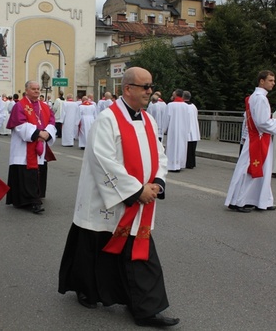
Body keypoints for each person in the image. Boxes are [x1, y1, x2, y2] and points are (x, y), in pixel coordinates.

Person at [58, 67, 178, 327]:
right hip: (107, 198)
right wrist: (135, 191)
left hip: (140, 199)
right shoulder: (108, 119)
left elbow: (160, 153)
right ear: (128, 89)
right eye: (144, 87)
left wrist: (157, 181)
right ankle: (86, 290)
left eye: (150, 86)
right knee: (94, 244)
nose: (150, 91)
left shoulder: (149, 120)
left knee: (139, 250)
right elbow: (103, 161)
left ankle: (146, 309)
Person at [225, 70, 276, 213]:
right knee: (250, 170)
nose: (273, 83)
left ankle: (263, 200)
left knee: (262, 169)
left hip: (258, 138)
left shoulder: (255, 97)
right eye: (270, 80)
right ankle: (239, 201)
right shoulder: (260, 98)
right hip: (258, 139)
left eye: (274, 80)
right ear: (261, 81)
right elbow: (261, 122)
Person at [5, 80, 56, 214]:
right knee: (25, 172)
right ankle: (28, 201)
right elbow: (19, 124)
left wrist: (47, 133)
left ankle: (35, 196)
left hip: (40, 144)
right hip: (24, 146)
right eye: (33, 89)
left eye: (38, 89)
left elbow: (52, 121)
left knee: (37, 172)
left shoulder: (44, 106)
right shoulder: (20, 106)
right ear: (26, 90)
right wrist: (38, 133)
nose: (37, 91)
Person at [162, 89, 190, 172]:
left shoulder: (170, 105)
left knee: (172, 146)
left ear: (176, 95)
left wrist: (163, 129)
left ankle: (172, 165)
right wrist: (187, 130)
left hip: (173, 129)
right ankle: (179, 164)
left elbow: (166, 118)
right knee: (181, 146)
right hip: (183, 129)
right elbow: (188, 119)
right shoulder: (185, 106)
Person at [184, 91, 201, 169]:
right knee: (192, 149)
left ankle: (187, 163)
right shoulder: (194, 106)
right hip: (194, 130)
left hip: (187, 129)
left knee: (187, 149)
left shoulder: (184, 106)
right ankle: (192, 163)